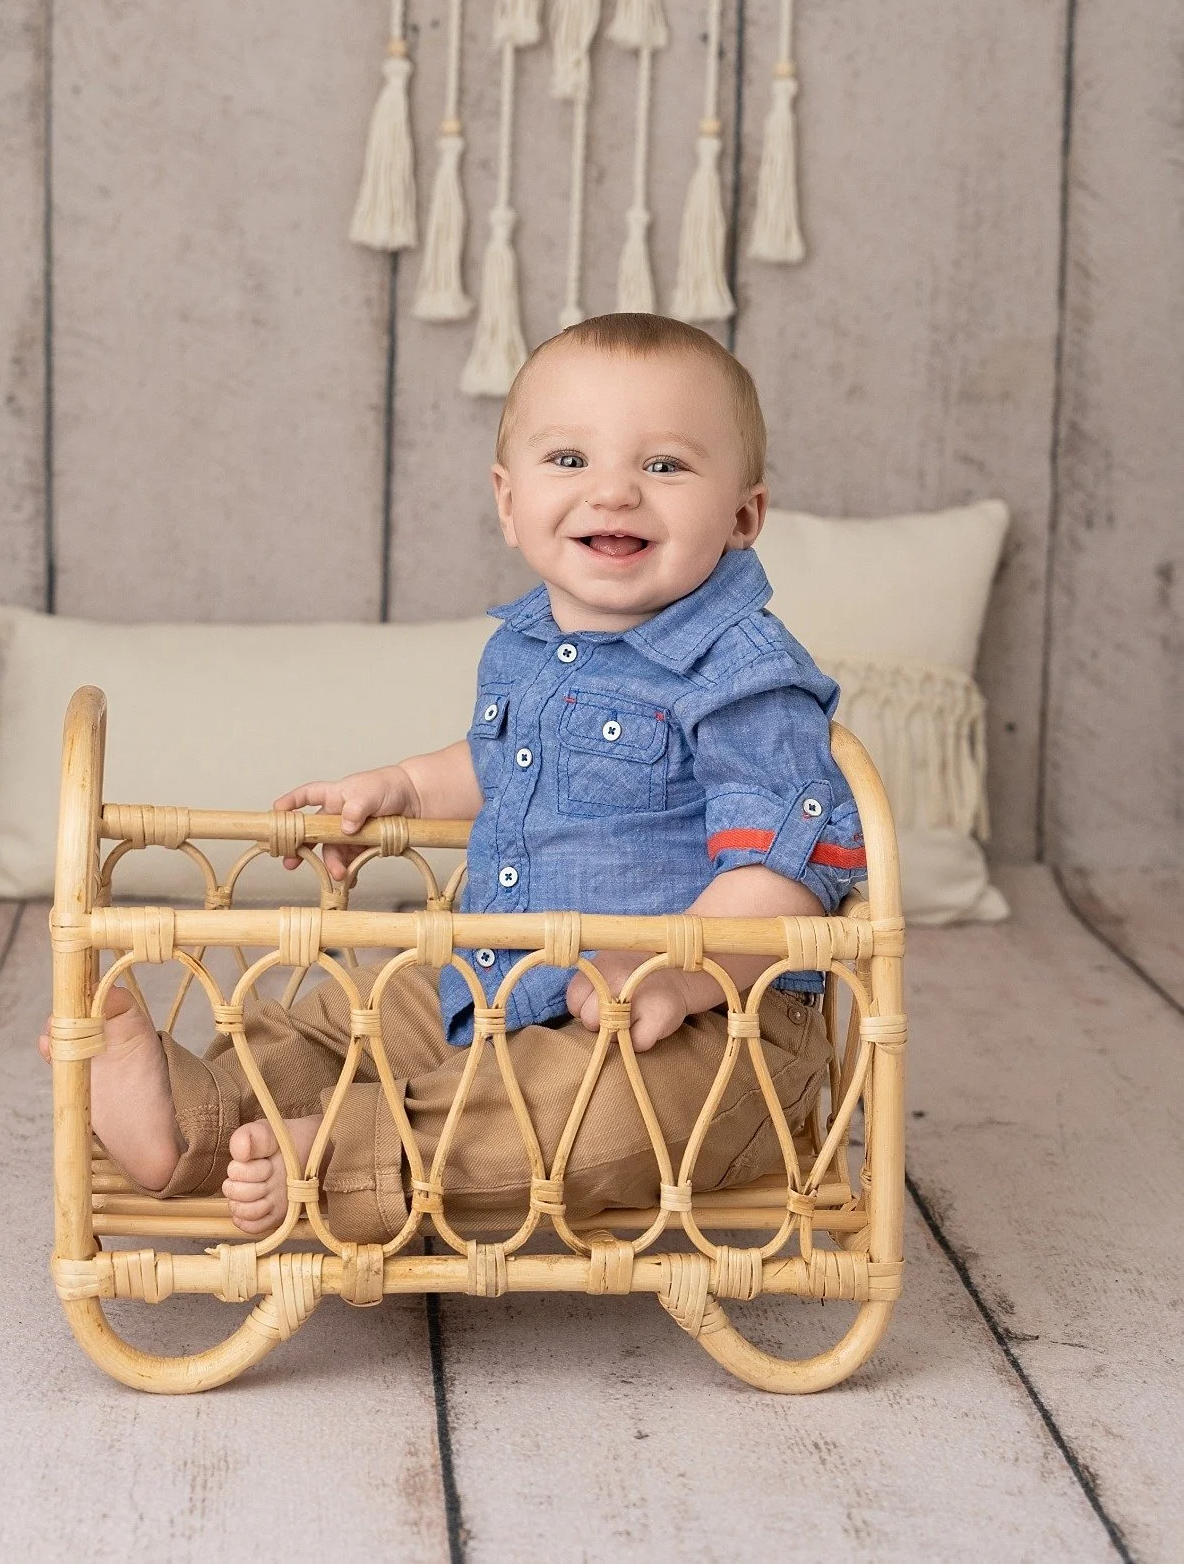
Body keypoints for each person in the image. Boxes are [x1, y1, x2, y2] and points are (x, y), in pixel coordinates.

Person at [52, 314, 865, 1242]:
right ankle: (187, 1119)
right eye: (569, 459)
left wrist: (672, 973)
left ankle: (346, 1159)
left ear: (744, 516)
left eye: (666, 466)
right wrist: (402, 785)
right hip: (496, 979)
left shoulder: (746, 676)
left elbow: (790, 876)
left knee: (572, 1111)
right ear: (508, 500)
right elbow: (508, 763)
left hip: (709, 1035)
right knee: (340, 1014)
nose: (615, 491)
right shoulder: (526, 646)